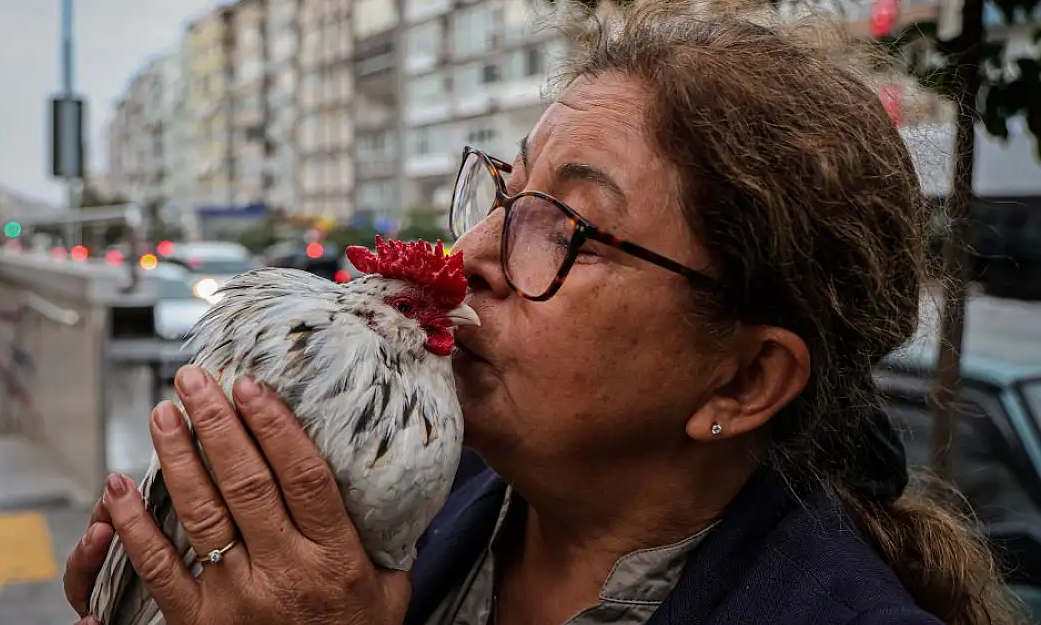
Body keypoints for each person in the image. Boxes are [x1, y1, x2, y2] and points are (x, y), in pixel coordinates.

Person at [63, 1, 1030, 623]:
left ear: (742, 376)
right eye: (504, 192)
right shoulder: (399, 501)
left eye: (566, 226)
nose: (471, 256)